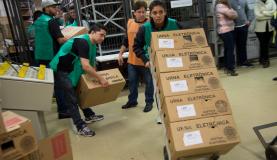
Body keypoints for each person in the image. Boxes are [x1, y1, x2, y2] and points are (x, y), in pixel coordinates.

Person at [50, 23, 108, 137]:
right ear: (92, 32)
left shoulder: (93, 44)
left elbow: (91, 64)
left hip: (73, 69)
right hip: (62, 69)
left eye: (104, 36)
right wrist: (101, 78)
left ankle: (89, 115)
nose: (103, 38)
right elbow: (86, 66)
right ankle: (80, 126)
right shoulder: (83, 42)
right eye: (101, 35)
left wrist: (95, 76)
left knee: (80, 93)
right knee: (71, 98)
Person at [133, 0, 184, 112]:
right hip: (155, 65)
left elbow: (186, 41)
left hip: (176, 64)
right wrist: (145, 60)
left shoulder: (175, 24)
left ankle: (179, 111)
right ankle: (162, 114)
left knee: (177, 88)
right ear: (150, 14)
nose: (158, 15)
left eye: (161, 12)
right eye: (155, 13)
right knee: (159, 90)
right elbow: (136, 47)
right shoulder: (144, 28)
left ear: (165, 12)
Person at [117, 1, 150, 112]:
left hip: (146, 61)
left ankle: (149, 102)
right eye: (139, 12)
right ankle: (132, 101)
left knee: (149, 83)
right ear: (134, 13)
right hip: (132, 60)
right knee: (132, 82)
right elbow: (126, 40)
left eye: (143, 12)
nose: (141, 14)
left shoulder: (149, 24)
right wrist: (120, 53)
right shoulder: (130, 22)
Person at [33, 0, 67, 66]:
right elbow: (61, 41)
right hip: (51, 56)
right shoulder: (51, 21)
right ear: (46, 8)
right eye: (54, 7)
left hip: (40, 55)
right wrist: (73, 38)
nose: (56, 9)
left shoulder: (38, 20)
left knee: (45, 74)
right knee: (53, 75)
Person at [216, 0, 238, 76]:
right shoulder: (220, 6)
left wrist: (232, 11)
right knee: (230, 49)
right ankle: (230, 68)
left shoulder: (226, 6)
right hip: (225, 30)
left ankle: (227, 67)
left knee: (228, 48)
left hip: (230, 29)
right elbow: (232, 15)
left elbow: (235, 15)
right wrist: (232, 11)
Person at [229, 0, 254, 67]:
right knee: (231, 46)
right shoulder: (228, 2)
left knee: (242, 45)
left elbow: (248, 10)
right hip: (233, 27)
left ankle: (243, 62)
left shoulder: (243, 1)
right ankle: (232, 64)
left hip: (243, 26)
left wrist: (249, 20)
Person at [254, 0, 276, 68]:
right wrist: (269, 15)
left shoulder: (272, 1)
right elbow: (258, 16)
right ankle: (266, 60)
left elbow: (275, 12)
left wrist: (264, 12)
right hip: (259, 28)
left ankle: (262, 59)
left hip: (270, 27)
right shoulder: (257, 3)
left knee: (266, 44)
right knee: (263, 44)